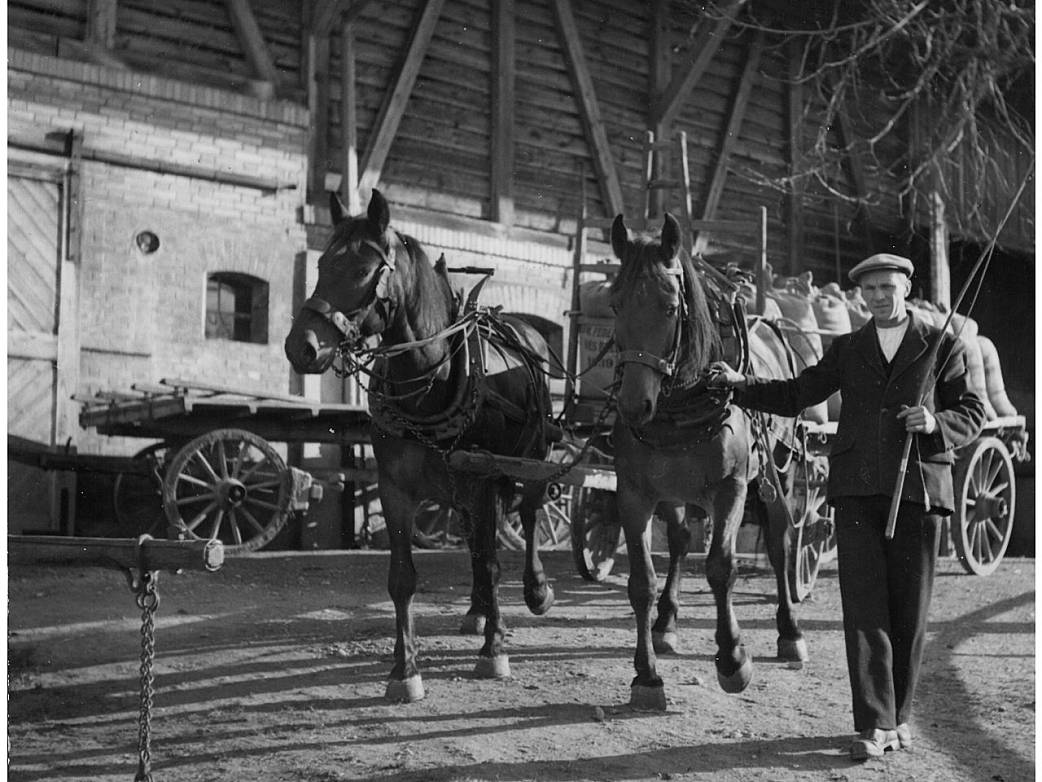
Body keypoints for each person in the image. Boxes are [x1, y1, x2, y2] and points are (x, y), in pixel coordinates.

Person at [709, 253, 986, 761]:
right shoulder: (849, 347)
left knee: (909, 611)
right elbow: (798, 393)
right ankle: (874, 725)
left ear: (906, 286)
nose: (880, 296)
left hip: (919, 490)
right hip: (856, 488)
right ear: (862, 297)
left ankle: (899, 716)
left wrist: (934, 424)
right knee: (863, 611)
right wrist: (739, 384)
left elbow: (974, 412)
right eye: (871, 290)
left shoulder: (942, 343)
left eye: (888, 286)